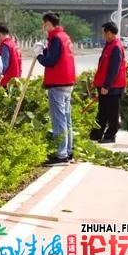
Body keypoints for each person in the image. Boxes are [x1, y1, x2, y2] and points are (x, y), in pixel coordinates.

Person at [35, 12, 76, 165]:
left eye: (44, 24)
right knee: (66, 119)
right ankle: (68, 151)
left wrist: (39, 55)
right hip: (67, 83)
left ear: (48, 23)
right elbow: (56, 55)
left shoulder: (56, 38)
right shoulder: (64, 36)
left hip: (58, 84)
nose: (43, 27)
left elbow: (51, 61)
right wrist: (44, 50)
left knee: (59, 121)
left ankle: (61, 155)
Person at [89, 22, 127, 143]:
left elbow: (113, 69)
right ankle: (96, 134)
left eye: (103, 32)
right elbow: (103, 66)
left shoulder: (116, 47)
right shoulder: (109, 45)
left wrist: (106, 85)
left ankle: (110, 135)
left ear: (109, 33)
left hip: (113, 86)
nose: (102, 35)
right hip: (104, 84)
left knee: (112, 112)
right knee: (103, 110)